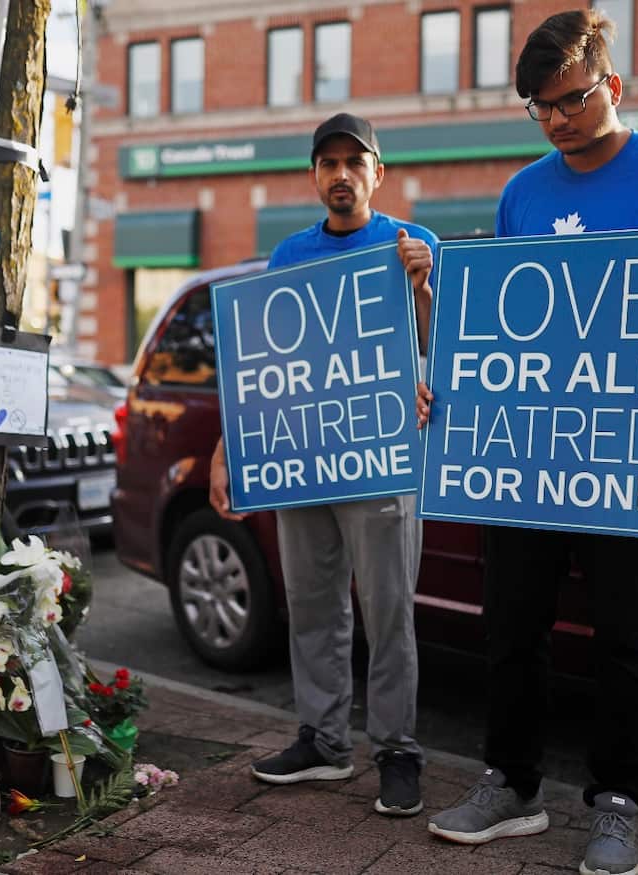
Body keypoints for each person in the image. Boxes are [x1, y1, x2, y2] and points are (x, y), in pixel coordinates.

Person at [415, 11, 638, 875]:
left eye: (569, 99)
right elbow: (502, 327)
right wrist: (451, 377)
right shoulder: (523, 191)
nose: (557, 119)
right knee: (511, 625)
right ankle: (511, 784)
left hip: (624, 451)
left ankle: (619, 800)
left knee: (625, 634)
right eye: (539, 107)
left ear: (614, 86)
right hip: (524, 455)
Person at [208, 112, 438, 817]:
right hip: (303, 457)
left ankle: (396, 748)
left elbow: (445, 349)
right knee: (312, 601)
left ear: (378, 172)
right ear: (315, 176)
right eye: (328, 162)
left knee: (389, 606)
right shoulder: (288, 257)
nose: (341, 173)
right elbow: (261, 368)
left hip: (382, 458)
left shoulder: (413, 245)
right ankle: (324, 739)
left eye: (354, 161)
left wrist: (424, 289)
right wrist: (228, 448)